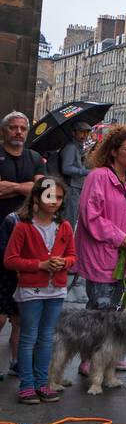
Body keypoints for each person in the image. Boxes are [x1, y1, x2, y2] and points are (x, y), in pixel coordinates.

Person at [4, 177, 74, 404]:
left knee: (46, 337)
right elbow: (10, 259)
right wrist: (40, 265)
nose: (54, 201)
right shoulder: (23, 226)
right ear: (36, 197)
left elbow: (73, 255)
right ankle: (26, 385)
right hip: (30, 289)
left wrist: (64, 262)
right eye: (49, 195)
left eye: (59, 197)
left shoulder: (64, 226)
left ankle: (42, 383)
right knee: (28, 337)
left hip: (56, 289)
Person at [74, 126, 126, 322]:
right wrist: (120, 237)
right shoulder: (98, 176)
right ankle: (92, 352)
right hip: (102, 257)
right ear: (114, 151)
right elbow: (91, 216)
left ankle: (110, 353)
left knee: (119, 314)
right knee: (99, 314)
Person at [0, 111, 45, 363]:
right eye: (13, 128)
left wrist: (9, 187)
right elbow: (34, 188)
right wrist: (25, 187)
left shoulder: (35, 158)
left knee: (21, 312)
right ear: (4, 131)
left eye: (22, 128)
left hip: (28, 236)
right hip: (0, 236)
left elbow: (43, 191)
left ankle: (18, 363)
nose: (18, 132)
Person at [58, 121, 92, 229]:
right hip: (71, 187)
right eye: (81, 132)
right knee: (69, 220)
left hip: (77, 187)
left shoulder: (79, 147)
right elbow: (66, 168)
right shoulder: (71, 147)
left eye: (86, 133)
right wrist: (86, 172)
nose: (84, 135)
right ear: (74, 133)